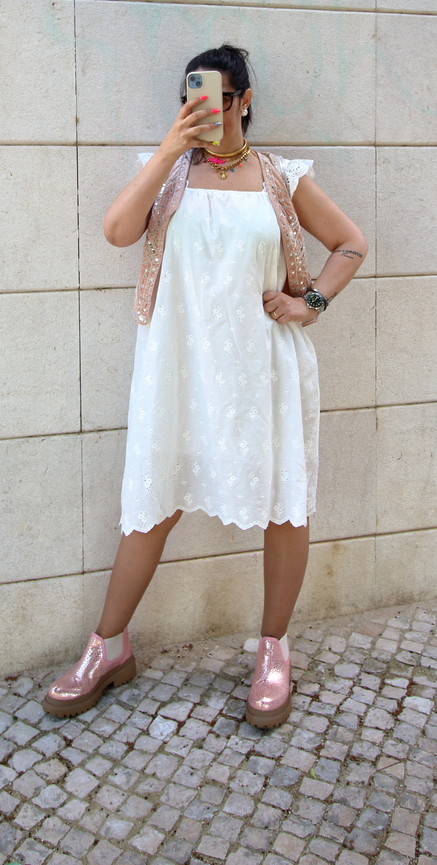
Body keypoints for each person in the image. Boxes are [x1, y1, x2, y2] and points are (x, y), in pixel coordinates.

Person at [43, 45, 367, 727]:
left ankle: (273, 649)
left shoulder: (282, 176)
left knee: (282, 503)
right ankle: (110, 645)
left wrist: (312, 303)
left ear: (244, 101)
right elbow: (115, 230)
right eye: (192, 99)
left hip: (263, 370)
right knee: (152, 499)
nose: (206, 112)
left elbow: (351, 244)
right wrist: (168, 149)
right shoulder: (164, 174)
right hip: (179, 370)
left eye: (219, 99)